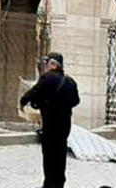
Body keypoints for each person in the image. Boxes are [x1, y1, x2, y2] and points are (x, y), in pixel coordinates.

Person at [19, 52, 79, 188]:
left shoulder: (47, 79)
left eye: (47, 63)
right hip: (65, 124)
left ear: (53, 64)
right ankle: (59, 182)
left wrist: (24, 102)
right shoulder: (69, 82)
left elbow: (33, 93)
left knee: (49, 153)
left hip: (50, 123)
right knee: (60, 152)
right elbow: (76, 100)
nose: (45, 66)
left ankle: (49, 182)